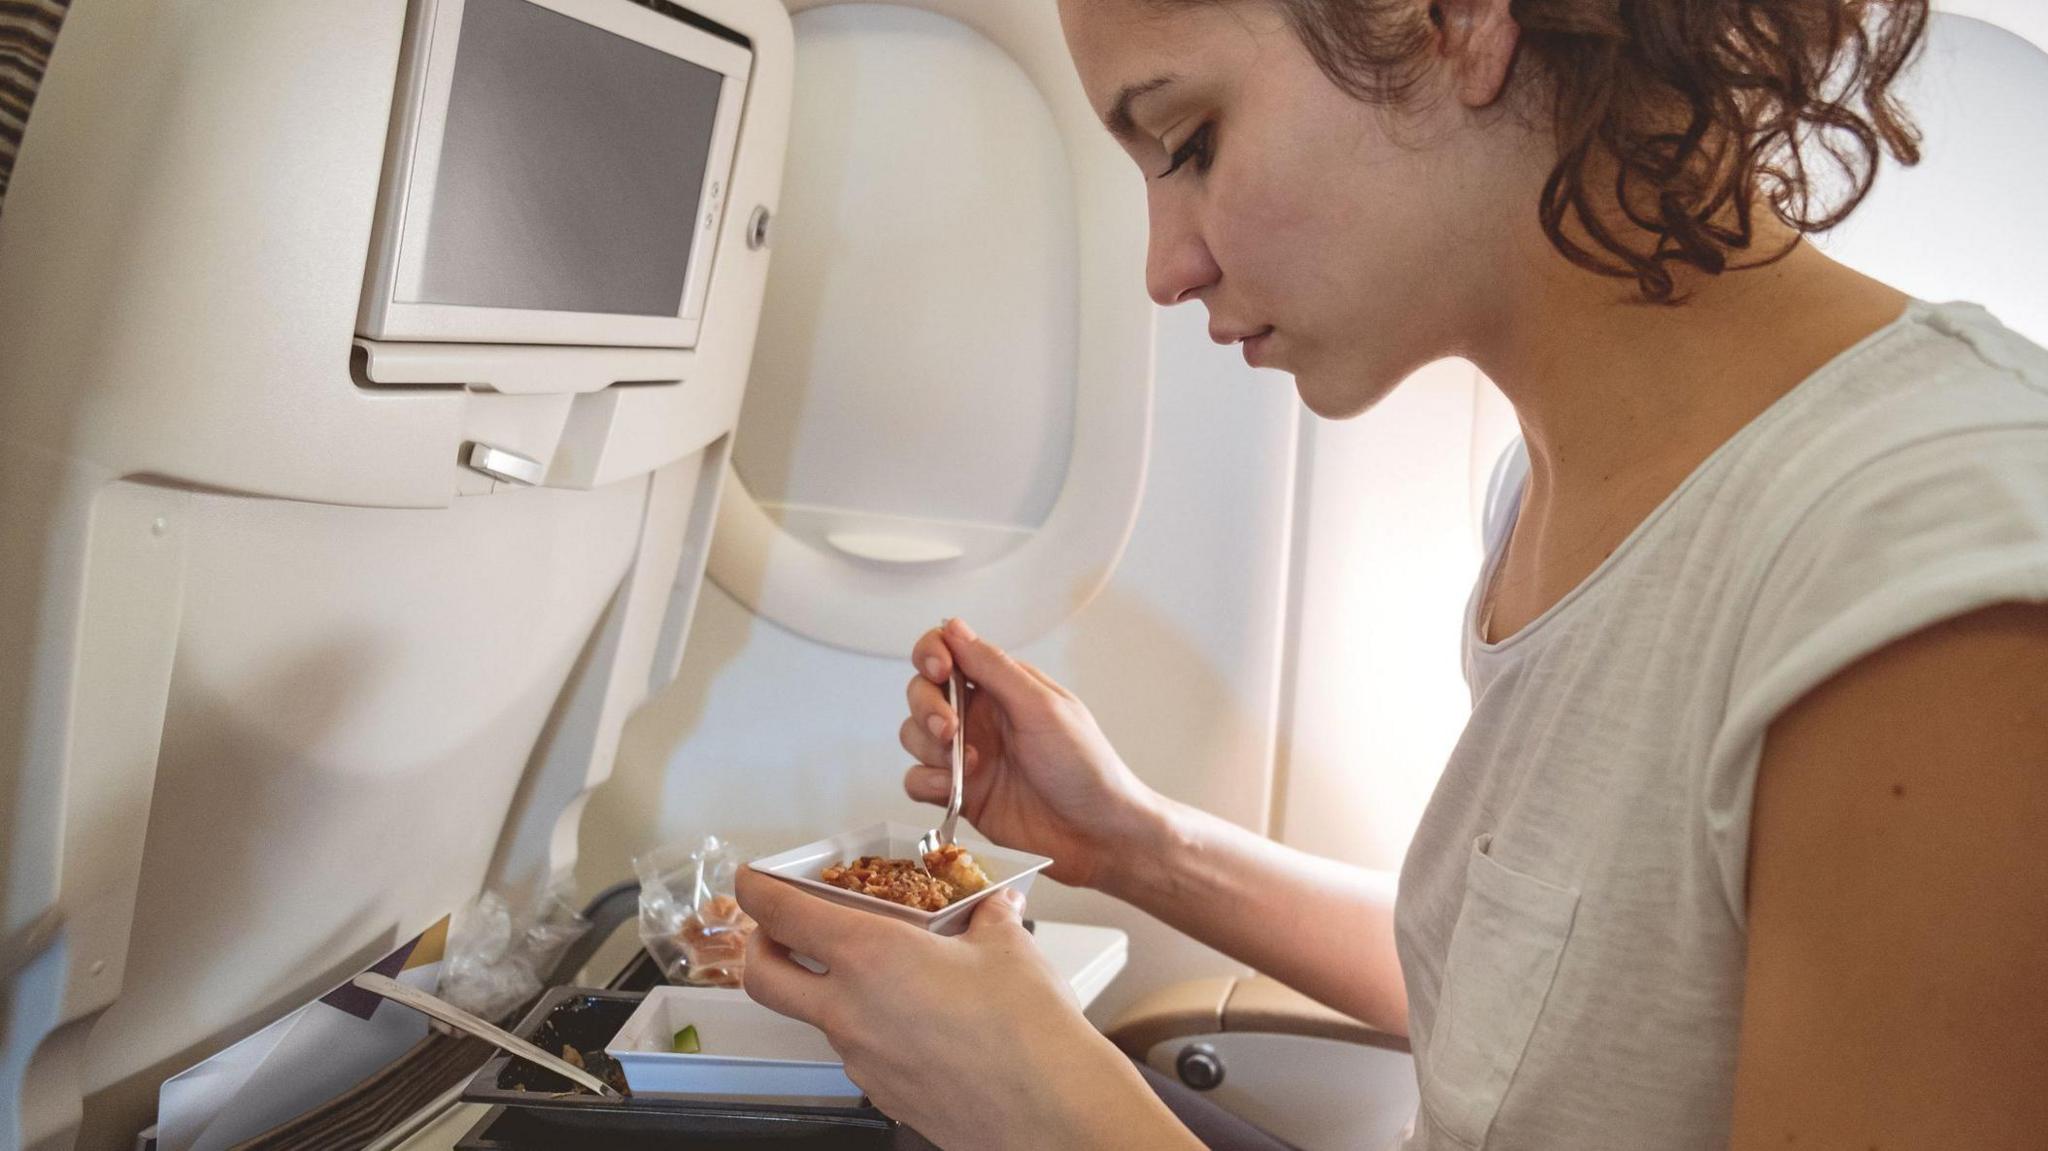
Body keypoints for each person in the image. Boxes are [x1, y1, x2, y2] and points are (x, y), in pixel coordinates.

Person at [735, 0, 2048, 1146]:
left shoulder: (1924, 572)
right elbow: (1566, 1013)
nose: (1164, 266)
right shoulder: (1545, 490)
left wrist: (1044, 1111)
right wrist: (1134, 846)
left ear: (1462, 19)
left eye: (1189, 140)